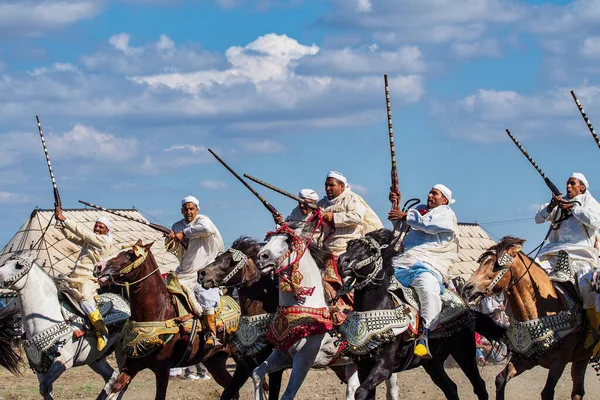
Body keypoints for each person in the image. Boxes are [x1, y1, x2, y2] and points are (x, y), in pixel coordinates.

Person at [388, 184, 459, 358]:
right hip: (403, 262)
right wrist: (395, 205)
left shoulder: (446, 214)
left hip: (429, 263)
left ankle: (424, 334)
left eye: (435, 193)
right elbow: (400, 229)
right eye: (430, 192)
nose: (430, 195)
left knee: (427, 288)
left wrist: (405, 215)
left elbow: (428, 225)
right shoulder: (418, 211)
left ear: (444, 200)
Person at [534, 172, 600, 350]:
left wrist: (572, 208)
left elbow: (595, 220)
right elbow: (538, 219)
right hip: (552, 254)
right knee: (531, 277)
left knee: (588, 287)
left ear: (582, 187)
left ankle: (593, 331)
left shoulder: (590, 203)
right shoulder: (559, 203)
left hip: (580, 255)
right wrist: (552, 206)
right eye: (567, 184)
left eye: (572, 184)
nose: (568, 187)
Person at [167, 195, 224, 379]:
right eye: (185, 209)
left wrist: (184, 234)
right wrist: (172, 239)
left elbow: (205, 229)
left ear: (197, 209)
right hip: (184, 271)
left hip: (204, 270)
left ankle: (212, 335)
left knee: (206, 296)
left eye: (191, 209)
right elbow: (172, 247)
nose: (188, 212)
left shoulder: (203, 221)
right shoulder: (177, 225)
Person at [55, 207, 115, 351]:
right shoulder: (92, 241)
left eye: (101, 227)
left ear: (107, 231)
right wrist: (61, 226)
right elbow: (74, 237)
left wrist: (65, 219)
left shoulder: (103, 241)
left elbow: (81, 232)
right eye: (96, 225)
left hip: (88, 279)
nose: (97, 228)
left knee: (85, 299)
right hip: (75, 277)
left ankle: (101, 331)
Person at [316, 171, 383, 256]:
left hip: (348, 251)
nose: (327, 188)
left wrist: (333, 218)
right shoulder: (321, 203)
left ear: (342, 187)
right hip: (326, 250)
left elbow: (357, 217)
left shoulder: (352, 199)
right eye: (326, 185)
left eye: (331, 185)